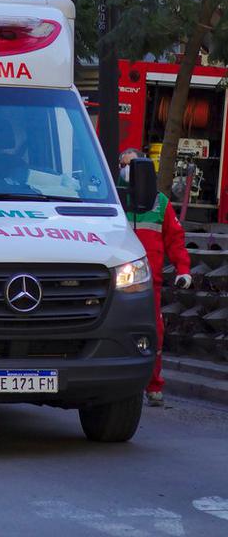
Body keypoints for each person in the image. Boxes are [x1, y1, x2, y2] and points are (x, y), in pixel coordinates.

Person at [119, 148, 192, 406]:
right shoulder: (114, 202)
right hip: (120, 284)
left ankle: (153, 385)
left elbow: (175, 239)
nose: (127, 170)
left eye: (132, 164)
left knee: (155, 335)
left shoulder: (160, 203)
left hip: (151, 285)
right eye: (123, 165)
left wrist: (183, 269)